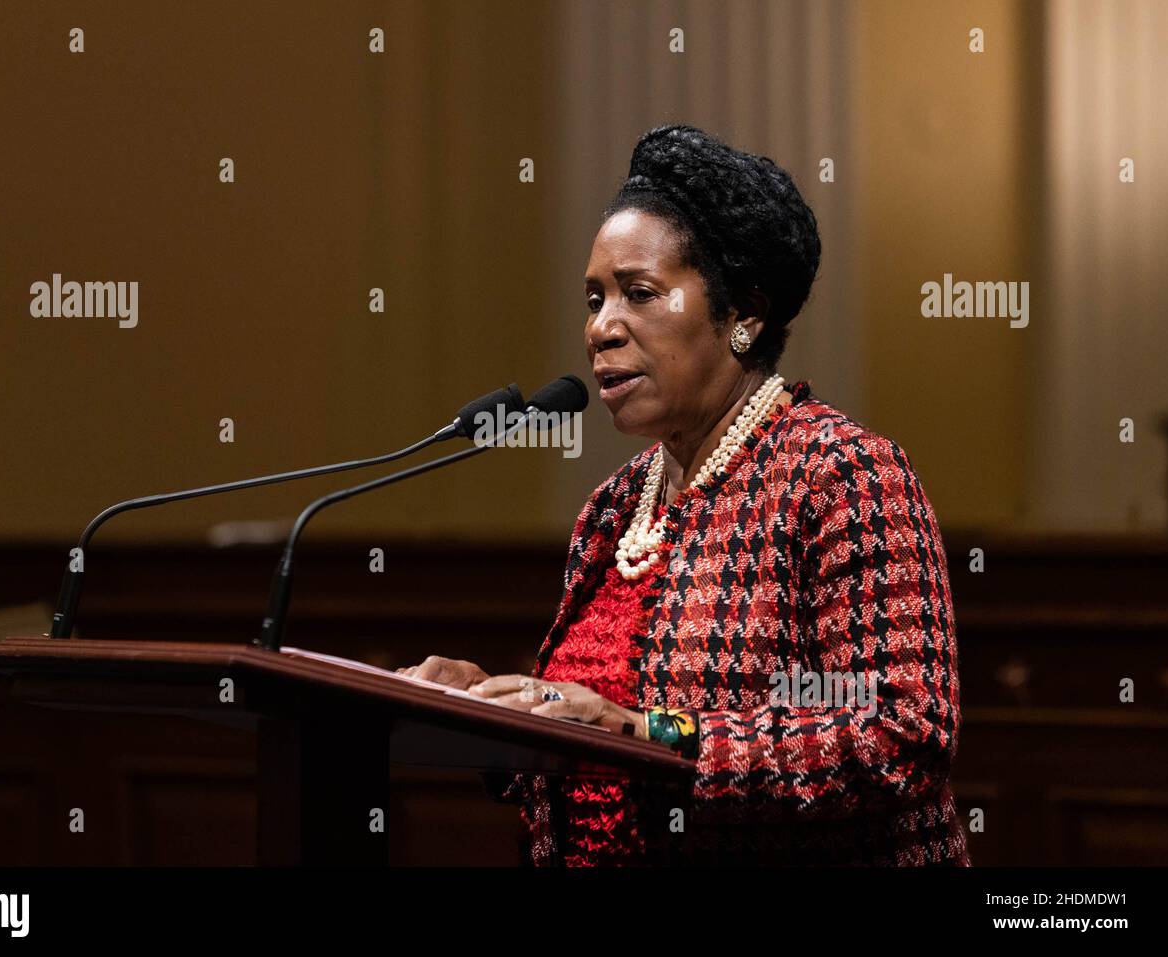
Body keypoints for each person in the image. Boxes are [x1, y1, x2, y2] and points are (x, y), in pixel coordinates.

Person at [400, 124, 969, 866]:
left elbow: (902, 735)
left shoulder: (842, 475)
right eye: (594, 297)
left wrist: (653, 735)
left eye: (638, 293)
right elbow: (594, 743)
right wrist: (489, 712)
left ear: (744, 315)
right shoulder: (613, 506)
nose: (601, 328)